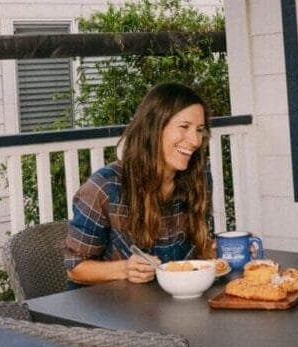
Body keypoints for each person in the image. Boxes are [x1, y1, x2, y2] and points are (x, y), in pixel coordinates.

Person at [65, 81, 213, 285]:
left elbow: (196, 251)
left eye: (199, 130)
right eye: (184, 127)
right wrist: (124, 269)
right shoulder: (105, 187)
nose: (195, 141)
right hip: (111, 303)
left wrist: (222, 250)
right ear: (154, 128)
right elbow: (75, 268)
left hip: (173, 299)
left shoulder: (198, 178)